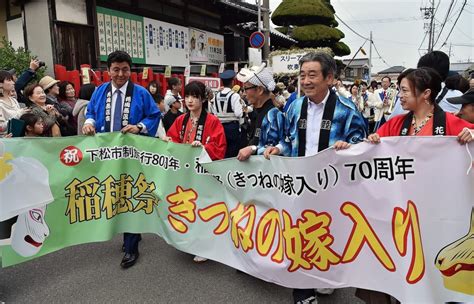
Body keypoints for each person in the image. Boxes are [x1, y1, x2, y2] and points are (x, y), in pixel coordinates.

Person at [264, 51, 367, 304]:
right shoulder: (295, 107)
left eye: (312, 75)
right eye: (302, 75)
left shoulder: (346, 110)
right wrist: (278, 149)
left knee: (327, 234)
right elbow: (288, 142)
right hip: (300, 184)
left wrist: (350, 147)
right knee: (300, 233)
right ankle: (303, 291)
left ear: (329, 78)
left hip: (332, 187)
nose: (306, 81)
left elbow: (362, 146)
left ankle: (324, 277)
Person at [82, 50, 160, 269]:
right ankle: (130, 233)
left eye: (125, 69)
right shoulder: (99, 92)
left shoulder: (142, 93)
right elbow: (91, 112)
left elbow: (154, 116)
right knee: (114, 193)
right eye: (115, 69)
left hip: (132, 155)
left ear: (130, 70)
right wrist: (89, 123)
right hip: (107, 155)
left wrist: (139, 127)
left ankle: (131, 245)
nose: (120, 74)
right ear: (108, 71)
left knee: (130, 195)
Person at [166, 81, 226, 263]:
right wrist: (169, 141)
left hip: (202, 171)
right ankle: (190, 241)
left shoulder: (212, 121)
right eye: (188, 96)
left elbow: (219, 146)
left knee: (203, 206)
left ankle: (205, 247)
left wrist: (204, 147)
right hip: (185, 170)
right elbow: (173, 139)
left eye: (195, 97)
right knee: (187, 206)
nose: (190, 101)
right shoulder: (181, 120)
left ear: (203, 99)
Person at [367, 67, 473, 145]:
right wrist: (372, 141)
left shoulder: (451, 122)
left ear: (426, 93)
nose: (399, 95)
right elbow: (370, 150)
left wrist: (472, 135)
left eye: (404, 90)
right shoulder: (394, 124)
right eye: (400, 90)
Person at [236, 63, 283, 161]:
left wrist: (253, 149)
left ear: (260, 90)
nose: (244, 94)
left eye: (246, 89)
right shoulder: (257, 111)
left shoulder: (272, 115)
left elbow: (273, 149)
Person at [212, 70, 243, 158]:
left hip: (219, 127)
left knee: (222, 151)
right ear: (232, 81)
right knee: (232, 153)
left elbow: (214, 113)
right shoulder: (234, 95)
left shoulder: (216, 95)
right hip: (232, 128)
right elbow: (239, 114)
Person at [0, 70, 24, 135]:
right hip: (6, 141)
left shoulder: (13, 100)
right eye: (9, 80)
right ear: (0, 84)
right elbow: (1, 127)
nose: (13, 83)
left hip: (19, 137)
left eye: (12, 80)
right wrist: (19, 114)